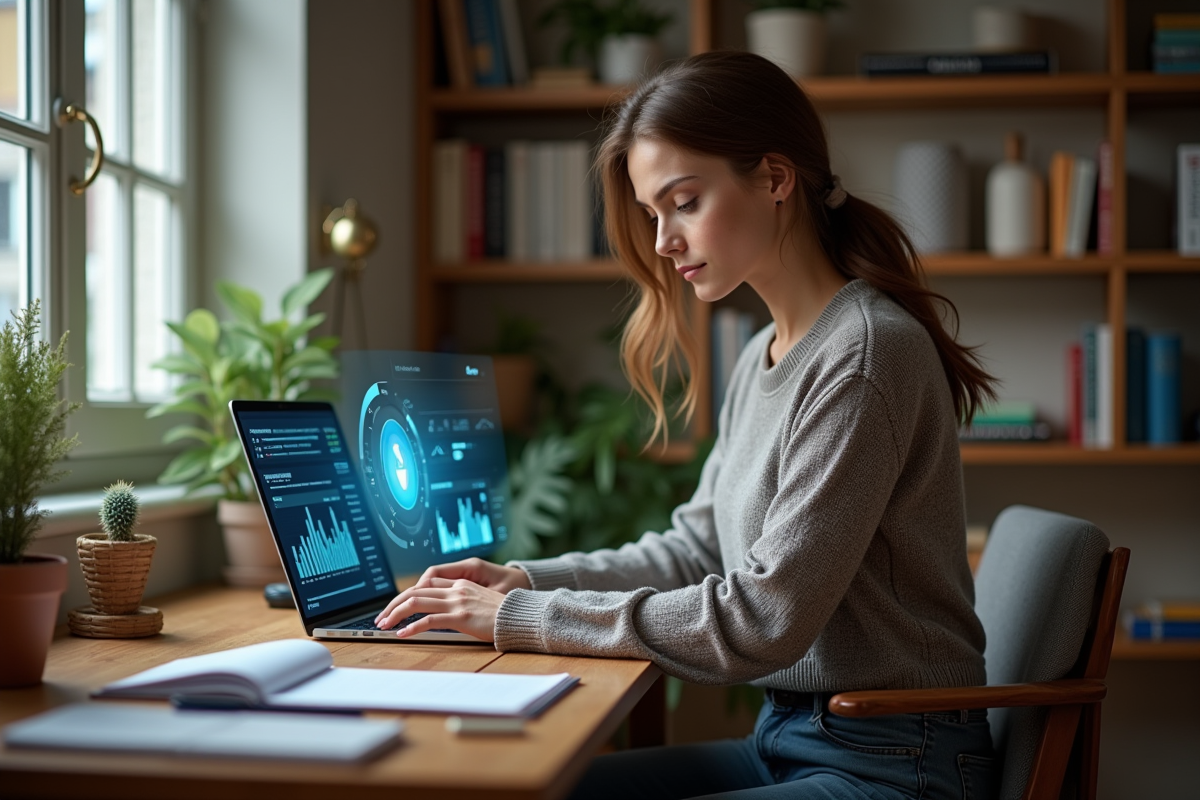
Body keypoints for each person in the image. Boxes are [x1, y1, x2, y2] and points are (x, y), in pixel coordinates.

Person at [377, 51, 999, 800]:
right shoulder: (765, 355)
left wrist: (519, 616)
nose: (664, 239)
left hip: (897, 762)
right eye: (653, 213)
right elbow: (695, 548)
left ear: (775, 178)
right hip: (791, 741)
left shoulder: (864, 356)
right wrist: (525, 580)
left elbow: (763, 619)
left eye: (684, 202)